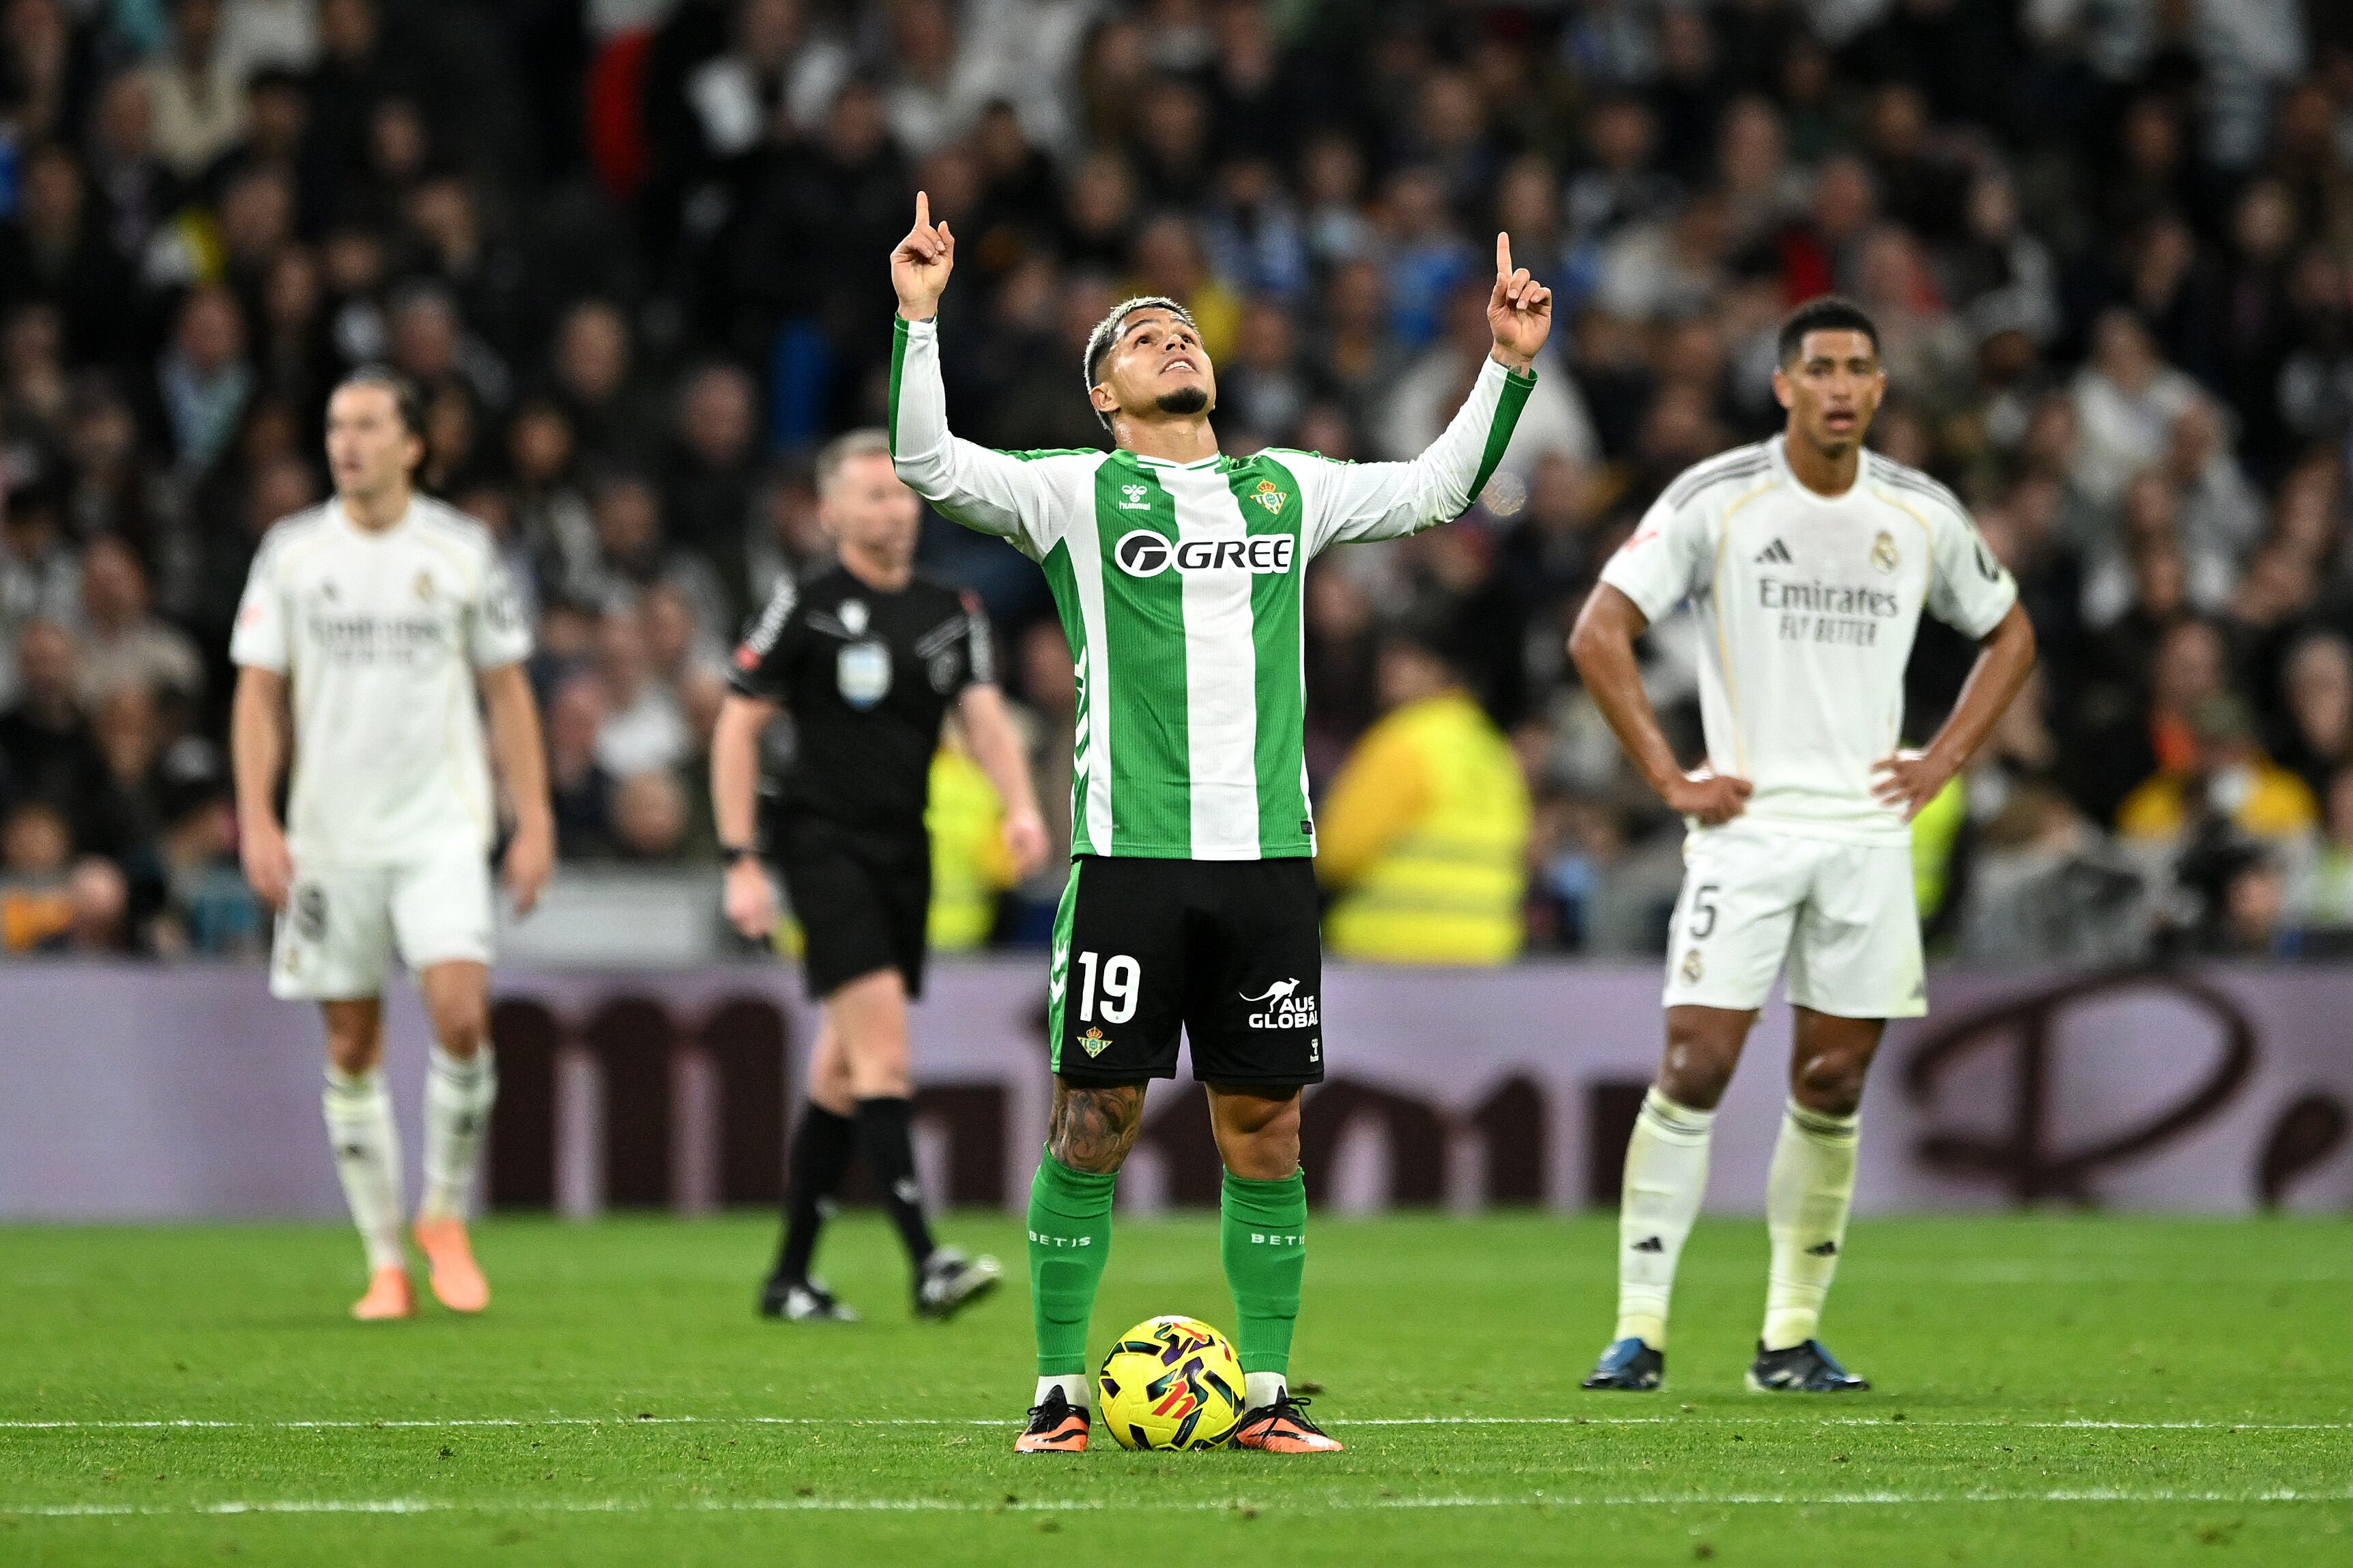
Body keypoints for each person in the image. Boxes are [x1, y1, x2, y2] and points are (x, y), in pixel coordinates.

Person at [886, 192, 1548, 1453]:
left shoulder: (1284, 490)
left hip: (1267, 867)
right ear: (1102, 395)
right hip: (1129, 857)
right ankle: (1055, 1391)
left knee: (1267, 1124)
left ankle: (1263, 1396)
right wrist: (919, 319)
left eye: (1181, 329)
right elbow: (926, 465)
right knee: (1095, 1116)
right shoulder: (1076, 493)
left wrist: (1504, 368)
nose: (1171, 341)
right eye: (1139, 337)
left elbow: (1434, 490)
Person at [1567, 296, 2035, 1395]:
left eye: (1858, 368)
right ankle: (1637, 1327)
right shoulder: (1719, 498)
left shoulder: (1918, 510)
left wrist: (1943, 760)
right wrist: (1672, 778)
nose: (1838, 385)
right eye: (1818, 367)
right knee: (1696, 1061)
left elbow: (2010, 631)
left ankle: (1788, 1335)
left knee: (1832, 1077)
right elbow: (1599, 630)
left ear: (1879, 388)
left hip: (1867, 834)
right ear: (1784, 385)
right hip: (1747, 830)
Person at [229, 367, 553, 1322]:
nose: (348, 442)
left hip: (441, 825)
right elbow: (257, 691)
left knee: (460, 1013)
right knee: (352, 1039)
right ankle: (384, 1260)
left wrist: (532, 816)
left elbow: (507, 689)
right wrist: (257, 815)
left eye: (369, 424)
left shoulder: (459, 549)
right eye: (336, 425)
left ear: (413, 443)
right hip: (330, 835)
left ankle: (442, 1215)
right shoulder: (292, 553)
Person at [710, 427, 1046, 1325]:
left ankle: (789, 1279)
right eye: (868, 494)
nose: (890, 509)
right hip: (823, 846)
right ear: (828, 513)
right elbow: (738, 724)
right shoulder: (806, 605)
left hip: (907, 850)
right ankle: (926, 1258)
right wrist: (741, 857)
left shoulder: (950, 610)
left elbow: (983, 717)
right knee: (883, 1053)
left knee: (839, 1067)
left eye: (899, 493)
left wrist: (1019, 806)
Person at [1316, 633, 1531, 963]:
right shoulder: (1491, 747)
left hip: (1392, 952)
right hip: (1487, 953)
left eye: (1405, 662)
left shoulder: (1403, 742)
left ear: (1440, 671)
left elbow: (1337, 853)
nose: (1387, 674)